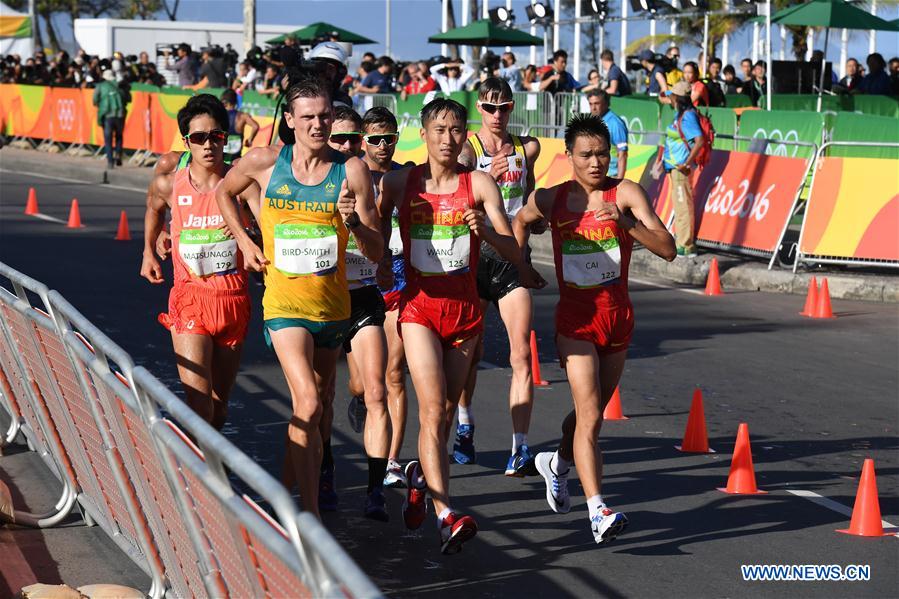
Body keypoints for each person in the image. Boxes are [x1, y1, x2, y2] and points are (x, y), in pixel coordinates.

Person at [214, 77, 384, 518]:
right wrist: (245, 243)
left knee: (321, 405)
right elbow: (223, 192)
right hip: (284, 307)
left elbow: (377, 250)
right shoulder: (265, 162)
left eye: (325, 115)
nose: (318, 124)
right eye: (307, 117)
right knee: (307, 401)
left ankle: (278, 497)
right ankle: (307, 518)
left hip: (333, 310)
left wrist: (356, 225)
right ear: (289, 120)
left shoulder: (352, 170)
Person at [378, 98, 536, 554]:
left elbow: (511, 251)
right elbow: (372, 225)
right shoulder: (399, 182)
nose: (448, 139)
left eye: (456, 130)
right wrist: (373, 254)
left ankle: (418, 479)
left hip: (465, 312)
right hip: (420, 310)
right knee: (431, 410)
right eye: (440, 129)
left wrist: (484, 230)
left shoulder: (479, 183)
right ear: (424, 134)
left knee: (446, 412)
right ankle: (447, 515)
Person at [512, 114, 675, 545]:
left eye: (602, 153)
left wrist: (625, 223)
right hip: (576, 322)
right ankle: (598, 510)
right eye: (585, 155)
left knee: (593, 413)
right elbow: (520, 219)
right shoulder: (553, 198)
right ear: (568, 157)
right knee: (589, 416)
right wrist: (522, 265)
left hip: (618, 318)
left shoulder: (625, 193)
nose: (595, 162)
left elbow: (669, 249)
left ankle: (556, 464)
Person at [140, 94, 255, 430]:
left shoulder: (242, 181)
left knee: (219, 406)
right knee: (197, 400)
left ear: (225, 138)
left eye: (216, 136)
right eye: (199, 138)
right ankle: (198, 480)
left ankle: (210, 462)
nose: (208, 145)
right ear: (187, 141)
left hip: (233, 301)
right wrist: (150, 247)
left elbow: (270, 221)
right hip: (190, 299)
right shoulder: (169, 182)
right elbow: (152, 207)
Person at [455, 78, 543, 474]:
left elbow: (530, 201)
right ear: (479, 110)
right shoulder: (468, 149)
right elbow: (455, 195)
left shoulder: (528, 148)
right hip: (474, 257)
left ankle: (520, 447)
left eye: (503, 108)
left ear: (512, 109)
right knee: (468, 356)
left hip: (512, 258)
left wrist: (536, 221)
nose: (496, 115)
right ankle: (465, 425)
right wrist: (488, 170)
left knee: (520, 353)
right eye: (489, 108)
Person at [321, 105, 394, 520]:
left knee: (377, 391)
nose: (348, 147)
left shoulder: (363, 179)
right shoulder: (309, 178)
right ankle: (327, 472)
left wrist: (353, 223)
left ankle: (374, 491)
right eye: (340, 139)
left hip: (363, 294)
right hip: (324, 300)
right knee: (329, 396)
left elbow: (377, 248)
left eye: (354, 139)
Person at [358, 106, 409, 489]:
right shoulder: (350, 174)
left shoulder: (406, 175)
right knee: (362, 384)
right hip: (360, 276)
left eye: (388, 138)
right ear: (364, 140)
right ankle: (365, 403)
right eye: (375, 138)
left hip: (399, 274)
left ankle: (391, 459)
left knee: (394, 374)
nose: (382, 145)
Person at [654, 81, 705, 257]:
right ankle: (682, 240)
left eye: (672, 95)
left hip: (680, 169)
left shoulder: (688, 116)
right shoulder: (680, 114)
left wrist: (687, 162)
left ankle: (687, 245)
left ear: (679, 97)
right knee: (680, 205)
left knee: (684, 206)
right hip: (674, 169)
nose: (670, 98)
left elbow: (700, 140)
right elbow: (663, 98)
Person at [586, 90, 628, 179]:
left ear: (606, 104)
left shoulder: (615, 123)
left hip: (611, 175)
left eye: (597, 103)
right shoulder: (593, 120)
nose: (593, 107)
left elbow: (622, 154)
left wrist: (619, 182)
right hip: (595, 173)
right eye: (590, 104)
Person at [93, 69, 127, 169]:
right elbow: (127, 98)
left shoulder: (101, 86)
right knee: (119, 136)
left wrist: (100, 104)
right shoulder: (120, 85)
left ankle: (110, 161)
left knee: (108, 139)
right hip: (120, 114)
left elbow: (95, 99)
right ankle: (118, 154)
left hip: (107, 114)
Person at [220, 89, 260, 163]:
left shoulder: (220, 115)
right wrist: (250, 140)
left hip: (221, 156)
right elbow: (255, 126)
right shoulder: (242, 116)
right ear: (235, 101)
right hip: (236, 158)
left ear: (224, 102)